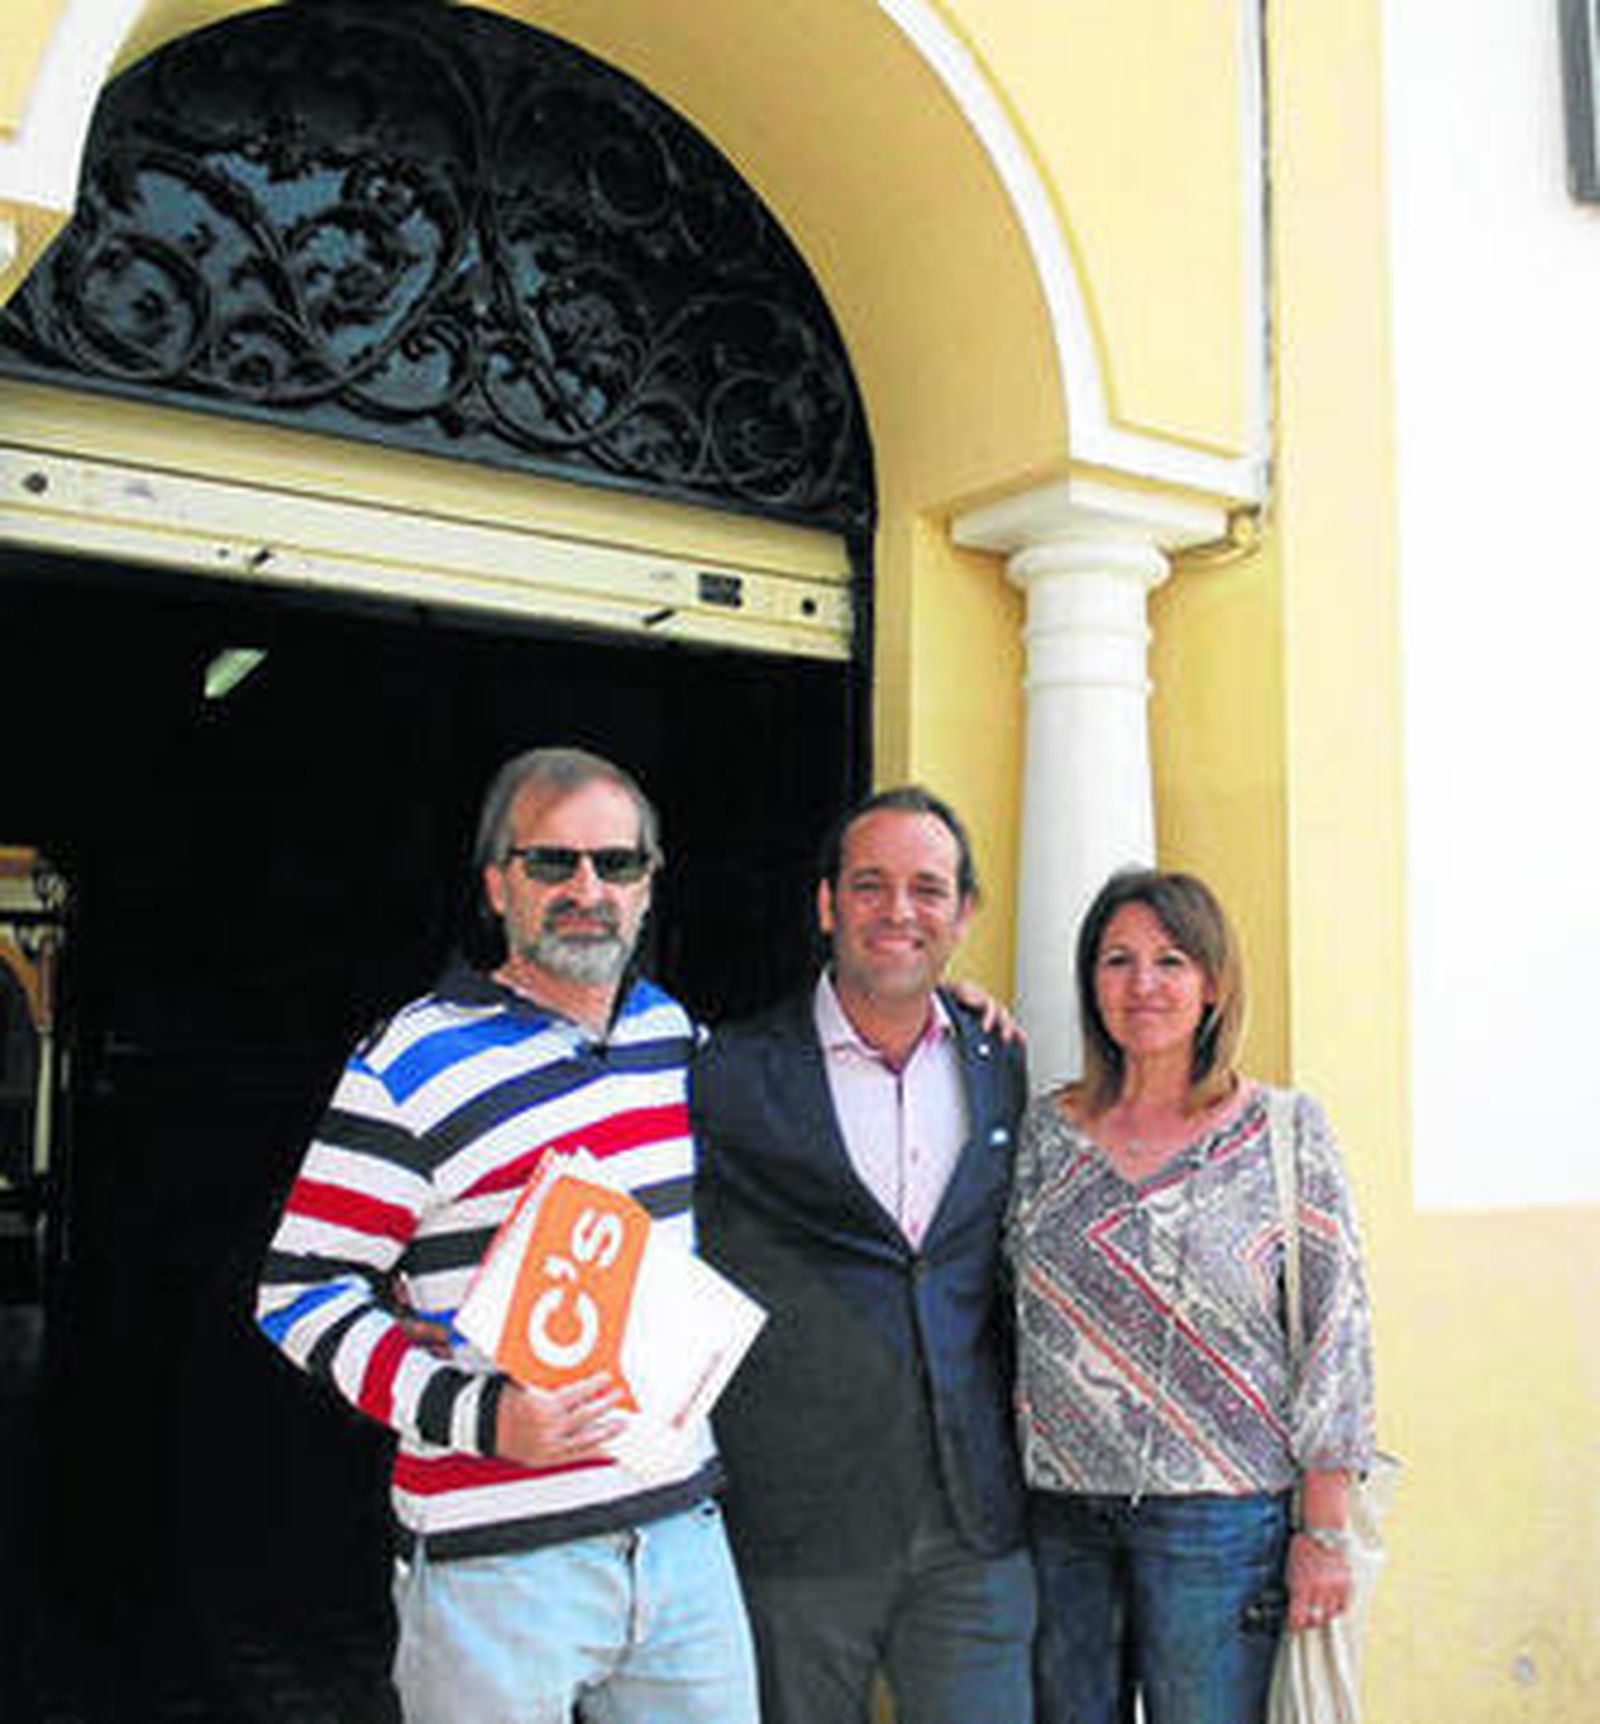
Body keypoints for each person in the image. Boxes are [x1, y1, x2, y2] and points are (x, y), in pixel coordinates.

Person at [255, 747, 759, 1724]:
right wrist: (479, 1415)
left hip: (680, 1537)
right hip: (494, 1563)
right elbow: (300, 1290)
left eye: (615, 863)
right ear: (497, 882)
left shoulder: (671, 1036)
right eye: (550, 862)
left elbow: (815, 1094)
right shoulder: (409, 1058)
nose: (586, 888)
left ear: (649, 886)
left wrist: (940, 1015)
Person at [694, 785, 1036, 1724]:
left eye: (928, 889)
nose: (899, 911)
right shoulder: (727, 1071)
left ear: (964, 914)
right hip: (801, 1531)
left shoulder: (998, 1062)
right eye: (870, 885)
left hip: (975, 1526)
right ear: (825, 904)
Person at [1006, 867, 1376, 1724]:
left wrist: (1322, 1533)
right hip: (1060, 1516)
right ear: (1089, 981)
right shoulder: (1045, 1135)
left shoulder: (1284, 1132)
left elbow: (1336, 1333)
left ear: (1212, 983)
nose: (1143, 986)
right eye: (1118, 961)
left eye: (1171, 961)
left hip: (1222, 1524)